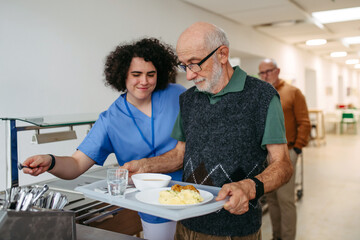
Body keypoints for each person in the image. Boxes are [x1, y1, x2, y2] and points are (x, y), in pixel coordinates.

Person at [122, 22, 294, 240]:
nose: (190, 76)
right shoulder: (188, 99)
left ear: (222, 54)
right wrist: (145, 165)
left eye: (194, 64)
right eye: (184, 66)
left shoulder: (262, 96)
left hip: (235, 230)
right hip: (186, 223)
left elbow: (282, 164)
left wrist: (249, 188)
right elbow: (179, 155)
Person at [21, 38, 186, 240]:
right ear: (122, 75)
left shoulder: (177, 96)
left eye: (150, 75)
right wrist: (51, 161)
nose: (144, 81)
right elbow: (76, 164)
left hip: (194, 194)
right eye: (136, 74)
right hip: (153, 205)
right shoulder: (110, 120)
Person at [258, 58, 311, 240]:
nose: (265, 76)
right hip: (265, 155)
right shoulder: (261, 94)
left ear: (277, 70)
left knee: (286, 200)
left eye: (268, 71)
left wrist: (297, 149)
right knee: (272, 199)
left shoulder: (293, 93)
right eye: (262, 73)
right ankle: (276, 236)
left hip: (287, 153)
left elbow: (304, 122)